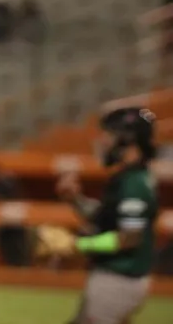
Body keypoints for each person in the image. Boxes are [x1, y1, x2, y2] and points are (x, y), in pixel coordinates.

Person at [55, 107, 159, 324]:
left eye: (109, 135)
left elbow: (129, 238)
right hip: (115, 280)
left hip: (117, 282)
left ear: (126, 139)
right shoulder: (128, 178)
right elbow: (105, 218)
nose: (103, 141)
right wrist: (75, 199)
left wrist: (78, 245)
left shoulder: (134, 184)